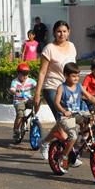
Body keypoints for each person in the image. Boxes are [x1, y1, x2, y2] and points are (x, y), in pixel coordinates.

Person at [33, 20, 77, 159]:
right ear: (54, 32)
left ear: (69, 32)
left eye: (64, 31)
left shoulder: (72, 46)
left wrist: (78, 89)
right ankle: (68, 155)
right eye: (59, 31)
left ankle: (45, 142)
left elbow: (73, 71)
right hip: (51, 87)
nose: (61, 34)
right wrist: (37, 94)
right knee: (63, 120)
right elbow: (42, 73)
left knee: (63, 122)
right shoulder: (49, 49)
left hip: (66, 89)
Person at [53, 62, 95, 173]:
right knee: (73, 136)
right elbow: (56, 103)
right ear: (66, 75)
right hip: (65, 116)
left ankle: (79, 145)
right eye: (73, 76)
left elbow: (89, 96)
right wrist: (64, 111)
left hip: (78, 113)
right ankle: (64, 157)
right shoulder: (62, 88)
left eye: (77, 76)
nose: (76, 78)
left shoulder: (79, 86)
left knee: (92, 121)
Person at [9, 62, 37, 141]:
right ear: (18, 74)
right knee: (20, 114)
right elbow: (12, 89)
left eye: (26, 74)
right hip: (19, 101)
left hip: (28, 99)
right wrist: (14, 91)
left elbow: (37, 86)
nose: (25, 76)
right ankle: (16, 130)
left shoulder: (31, 81)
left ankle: (34, 118)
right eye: (23, 74)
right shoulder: (15, 82)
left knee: (37, 103)